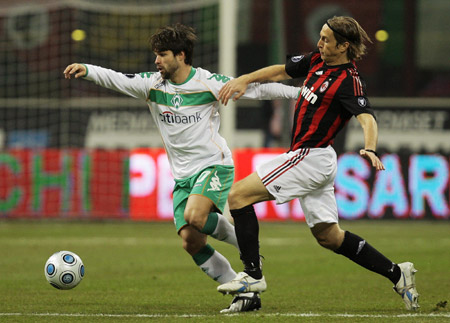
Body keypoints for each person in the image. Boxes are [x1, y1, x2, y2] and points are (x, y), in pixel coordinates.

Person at [63, 23, 299, 313]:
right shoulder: (152, 85)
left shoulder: (208, 83)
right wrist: (86, 69)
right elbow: (116, 79)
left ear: (182, 55)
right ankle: (244, 295)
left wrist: (300, 93)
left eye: (162, 55)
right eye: (156, 55)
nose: (156, 61)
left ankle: (248, 250)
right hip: (183, 176)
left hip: (214, 165)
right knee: (190, 241)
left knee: (195, 215)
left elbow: (256, 90)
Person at [216, 16, 419, 311]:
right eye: (321, 37)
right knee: (329, 236)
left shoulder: (349, 82)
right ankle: (398, 273)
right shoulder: (316, 61)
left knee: (238, 196)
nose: (319, 43)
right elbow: (279, 72)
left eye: (326, 39)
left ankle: (252, 276)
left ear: (344, 46)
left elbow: (367, 117)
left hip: (310, 156)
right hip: (317, 159)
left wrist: (370, 147)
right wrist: (245, 79)